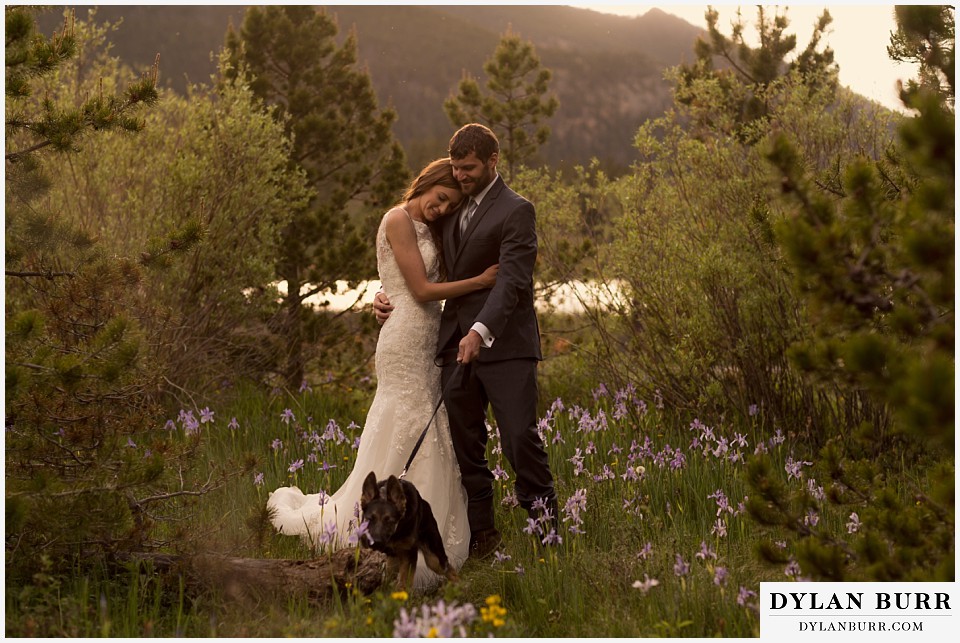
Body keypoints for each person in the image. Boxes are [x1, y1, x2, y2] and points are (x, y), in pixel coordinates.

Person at [267, 158, 498, 591]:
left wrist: (385, 293)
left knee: (429, 428)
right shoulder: (396, 218)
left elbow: (409, 282)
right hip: (405, 337)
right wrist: (482, 281)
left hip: (430, 338)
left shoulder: (434, 228)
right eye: (441, 198)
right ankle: (377, 527)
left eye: (449, 206)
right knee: (401, 420)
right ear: (427, 182)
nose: (441, 208)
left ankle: (421, 527)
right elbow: (422, 290)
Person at [375, 124, 557, 560]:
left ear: (493, 161)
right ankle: (482, 538)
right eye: (455, 167)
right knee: (465, 448)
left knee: (518, 439)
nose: (460, 175)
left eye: (469, 167)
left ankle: (547, 534)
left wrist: (480, 331)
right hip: (450, 348)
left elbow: (512, 281)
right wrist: (382, 296)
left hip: (506, 347)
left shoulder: (517, 210)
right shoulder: (451, 208)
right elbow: (418, 271)